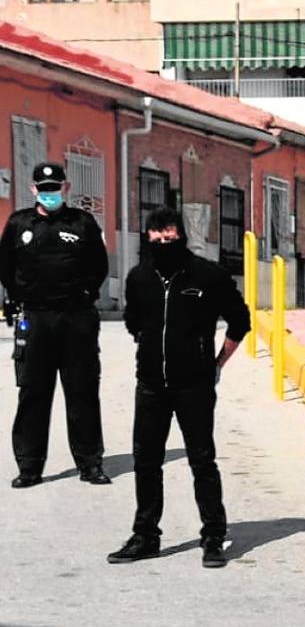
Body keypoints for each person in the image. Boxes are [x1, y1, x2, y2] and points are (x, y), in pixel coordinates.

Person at [108, 208, 251, 568]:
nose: (162, 243)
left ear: (182, 236)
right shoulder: (139, 277)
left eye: (169, 237)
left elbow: (240, 320)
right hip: (151, 385)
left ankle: (214, 536)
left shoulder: (209, 275)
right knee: (146, 460)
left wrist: (216, 362)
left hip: (195, 386)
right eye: (155, 238)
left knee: (202, 460)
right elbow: (133, 322)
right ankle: (145, 535)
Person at [0, 162, 110, 489]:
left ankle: (90, 464)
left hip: (76, 319)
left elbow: (99, 266)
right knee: (33, 392)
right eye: (43, 189)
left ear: (66, 187)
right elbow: (5, 266)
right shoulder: (20, 223)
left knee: (83, 391)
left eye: (55, 188)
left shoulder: (82, 222)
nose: (49, 194)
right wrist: (16, 297)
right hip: (35, 318)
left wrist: (84, 295)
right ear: (34, 189)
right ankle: (30, 467)